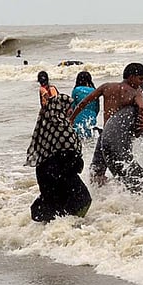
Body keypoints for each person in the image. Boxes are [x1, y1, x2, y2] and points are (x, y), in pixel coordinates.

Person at [68, 63, 143, 192]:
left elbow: (84, 102)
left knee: (97, 171)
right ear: (131, 77)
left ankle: (101, 196)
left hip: (105, 135)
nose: (142, 83)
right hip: (122, 137)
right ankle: (121, 193)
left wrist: (72, 119)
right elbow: (142, 108)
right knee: (123, 165)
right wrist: (138, 130)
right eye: (140, 79)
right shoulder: (135, 92)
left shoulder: (107, 87)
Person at [25, 93, 92, 222]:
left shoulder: (46, 128)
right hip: (62, 174)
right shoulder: (63, 129)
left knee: (55, 210)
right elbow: (72, 156)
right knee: (82, 201)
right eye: (68, 107)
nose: (71, 110)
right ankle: (73, 230)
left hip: (45, 174)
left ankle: (55, 234)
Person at [70, 71, 98, 139]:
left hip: (78, 115)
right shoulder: (94, 90)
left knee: (78, 136)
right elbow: (97, 107)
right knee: (89, 135)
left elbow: (72, 106)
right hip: (91, 116)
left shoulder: (76, 90)